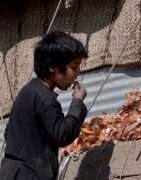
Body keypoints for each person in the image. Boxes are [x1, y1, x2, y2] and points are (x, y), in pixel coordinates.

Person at [0, 31, 88, 180]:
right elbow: (62, 134)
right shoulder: (44, 98)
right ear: (53, 67)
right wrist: (77, 102)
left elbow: (9, 132)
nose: (77, 73)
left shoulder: (29, 92)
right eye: (74, 67)